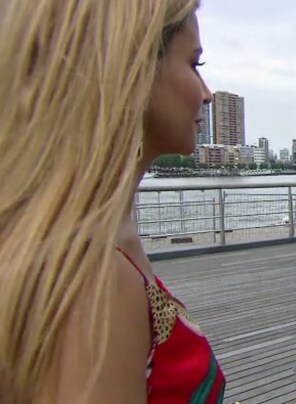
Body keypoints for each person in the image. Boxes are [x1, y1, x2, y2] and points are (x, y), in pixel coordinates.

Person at [0, 1, 225, 402]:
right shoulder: (95, 275)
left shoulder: (94, 238)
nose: (207, 95)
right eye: (195, 65)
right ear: (132, 71)